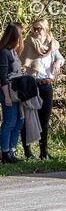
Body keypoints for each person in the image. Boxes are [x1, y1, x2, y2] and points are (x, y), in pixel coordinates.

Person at [20, 19, 63, 159]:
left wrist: (57, 62)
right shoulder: (28, 43)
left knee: (44, 120)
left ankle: (44, 151)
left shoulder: (52, 44)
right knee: (28, 118)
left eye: (40, 28)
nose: (37, 31)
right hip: (31, 85)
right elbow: (22, 63)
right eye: (35, 28)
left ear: (46, 29)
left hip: (46, 85)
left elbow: (60, 58)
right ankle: (27, 152)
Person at [0, 24, 26, 163]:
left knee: (19, 122)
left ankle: (12, 150)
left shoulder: (14, 52)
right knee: (9, 122)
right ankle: (5, 152)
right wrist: (7, 97)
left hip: (18, 92)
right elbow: (3, 76)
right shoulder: (4, 52)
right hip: (8, 92)